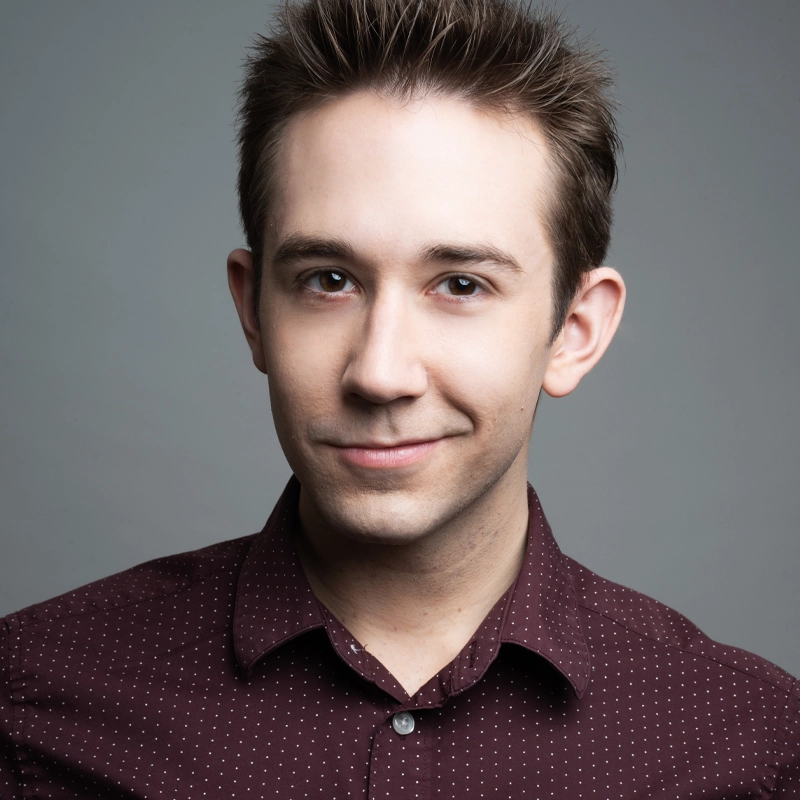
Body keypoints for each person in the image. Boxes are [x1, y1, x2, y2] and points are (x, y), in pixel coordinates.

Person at [1, 0, 797, 796]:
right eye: (329, 280)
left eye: (460, 284)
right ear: (252, 311)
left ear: (574, 329)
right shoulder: (29, 703)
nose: (381, 373)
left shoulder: (752, 744)